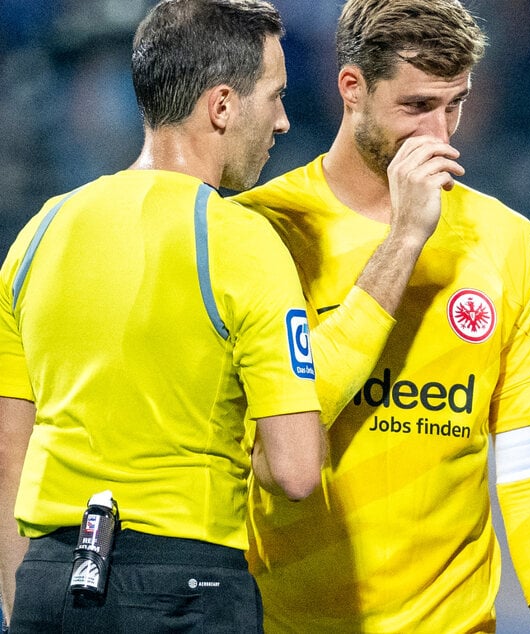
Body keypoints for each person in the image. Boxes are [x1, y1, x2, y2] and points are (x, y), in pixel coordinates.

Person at [232, 0, 530, 631]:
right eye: (417, 107)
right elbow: (253, 445)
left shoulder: (507, 239)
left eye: (456, 104)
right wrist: (406, 237)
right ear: (353, 89)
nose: (439, 135)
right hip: (288, 619)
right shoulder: (263, 229)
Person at [0, 1, 326, 630]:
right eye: (275, 95)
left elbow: (9, 452)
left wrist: (23, 607)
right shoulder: (242, 242)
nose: (284, 121)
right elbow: (295, 469)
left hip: (49, 582)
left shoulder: (38, 235)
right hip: (186, 587)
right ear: (223, 106)